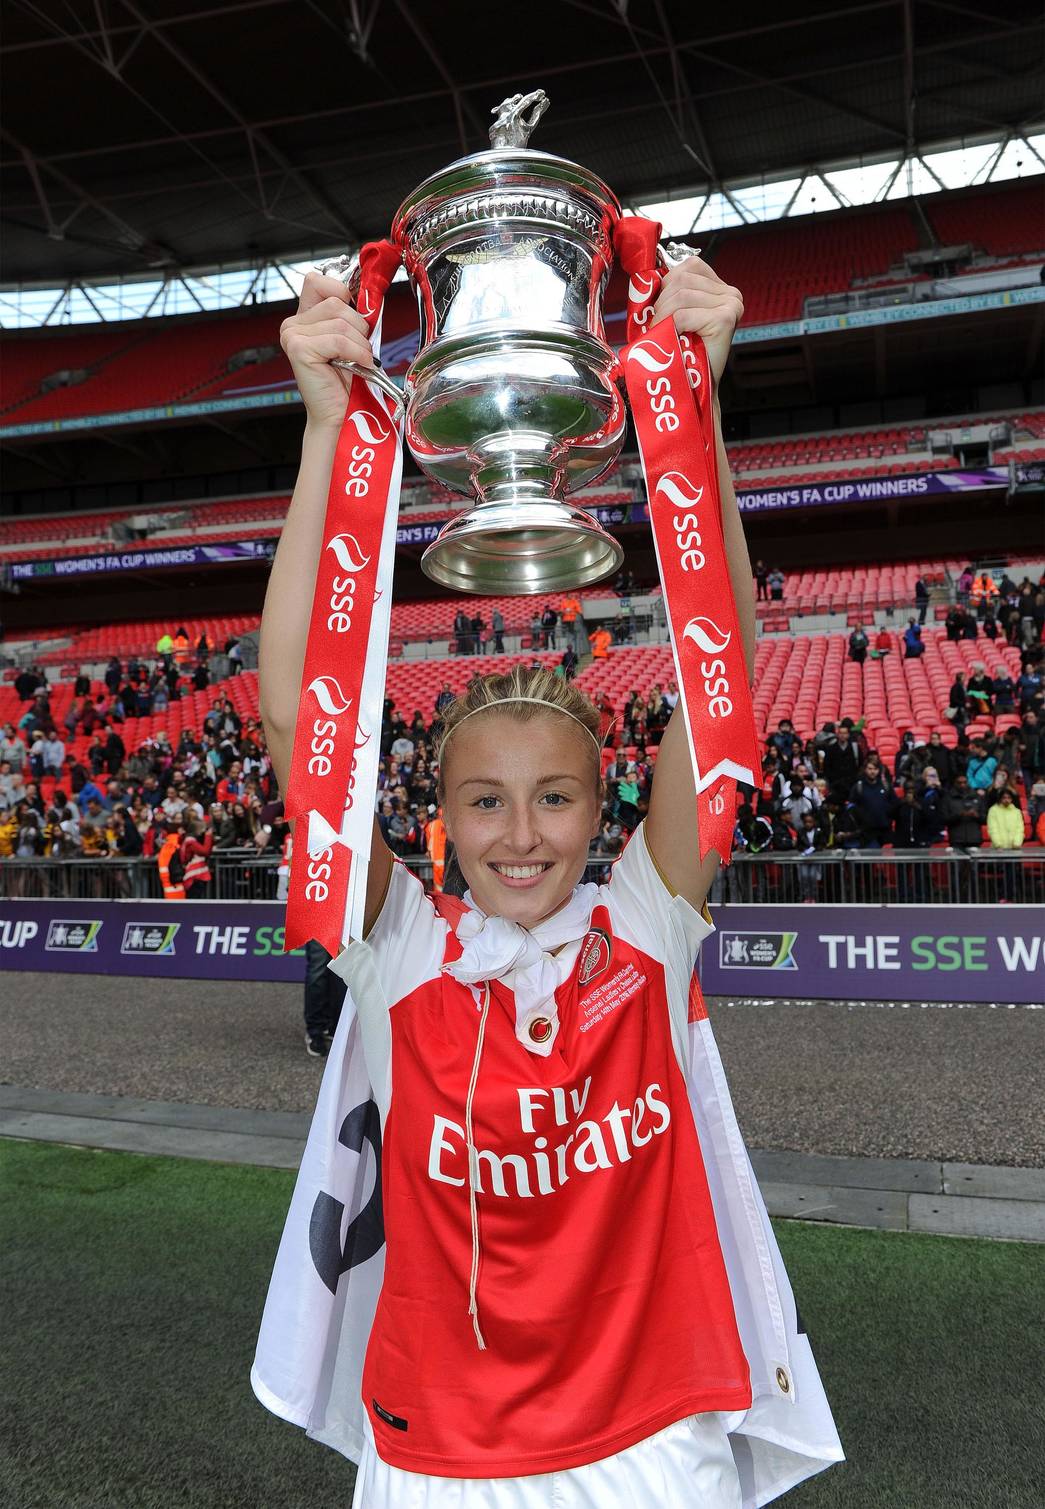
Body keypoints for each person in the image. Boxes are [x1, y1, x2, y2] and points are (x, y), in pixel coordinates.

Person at [253, 258, 842, 1506]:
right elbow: (297, 723)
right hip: (434, 1457)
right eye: (485, 801)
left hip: (650, 1447)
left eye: (556, 797)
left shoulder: (644, 924)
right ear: (442, 824)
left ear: (601, 810)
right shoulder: (402, 951)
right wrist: (322, 431)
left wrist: (696, 418)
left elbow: (719, 668)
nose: (521, 836)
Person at [303, 940, 346, 1057]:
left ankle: (334, 1026)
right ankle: (315, 1031)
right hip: (318, 921)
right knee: (318, 968)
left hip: (349, 921)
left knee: (343, 970)